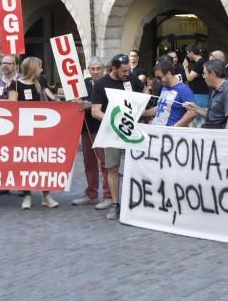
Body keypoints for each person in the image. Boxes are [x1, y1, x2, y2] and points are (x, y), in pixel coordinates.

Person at [91, 53, 150, 221]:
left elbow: (144, 89)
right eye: (124, 71)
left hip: (132, 130)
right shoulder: (101, 84)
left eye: (129, 70)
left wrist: (143, 103)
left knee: (138, 165)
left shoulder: (130, 79)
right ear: (114, 69)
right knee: (113, 168)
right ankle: (116, 204)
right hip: (112, 132)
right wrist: (114, 122)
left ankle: (137, 201)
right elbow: (96, 111)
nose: (127, 73)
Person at [9, 57, 59, 210]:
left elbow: (52, 97)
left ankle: (46, 195)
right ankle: (26, 195)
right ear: (32, 68)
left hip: (40, 129)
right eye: (40, 67)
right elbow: (12, 106)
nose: (42, 70)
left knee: (43, 162)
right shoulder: (16, 84)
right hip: (24, 130)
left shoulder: (41, 81)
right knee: (26, 162)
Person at [72, 57, 112, 209]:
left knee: (105, 164)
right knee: (89, 163)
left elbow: (110, 106)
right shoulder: (84, 84)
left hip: (102, 128)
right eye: (92, 69)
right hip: (87, 128)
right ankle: (91, 194)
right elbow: (78, 101)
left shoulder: (108, 84)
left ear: (103, 69)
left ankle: (108, 196)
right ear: (88, 70)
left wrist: (91, 105)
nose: (95, 72)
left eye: (98, 69)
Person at [187, 60, 228, 129]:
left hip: (219, 135)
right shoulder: (215, 89)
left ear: (212, 74)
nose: (203, 77)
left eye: (204, 74)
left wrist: (225, 136)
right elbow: (212, 114)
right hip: (211, 131)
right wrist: (195, 108)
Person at [150, 58, 196, 127]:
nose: (158, 81)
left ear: (168, 73)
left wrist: (174, 128)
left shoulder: (183, 89)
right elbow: (161, 107)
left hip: (168, 133)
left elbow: (192, 112)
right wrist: (143, 113)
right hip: (157, 129)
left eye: (159, 77)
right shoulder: (164, 87)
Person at [183, 45, 208, 126]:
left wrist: (186, 67)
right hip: (200, 94)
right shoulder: (200, 62)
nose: (187, 56)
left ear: (191, 52)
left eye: (187, 53)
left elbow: (189, 78)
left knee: (199, 120)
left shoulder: (200, 62)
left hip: (200, 95)